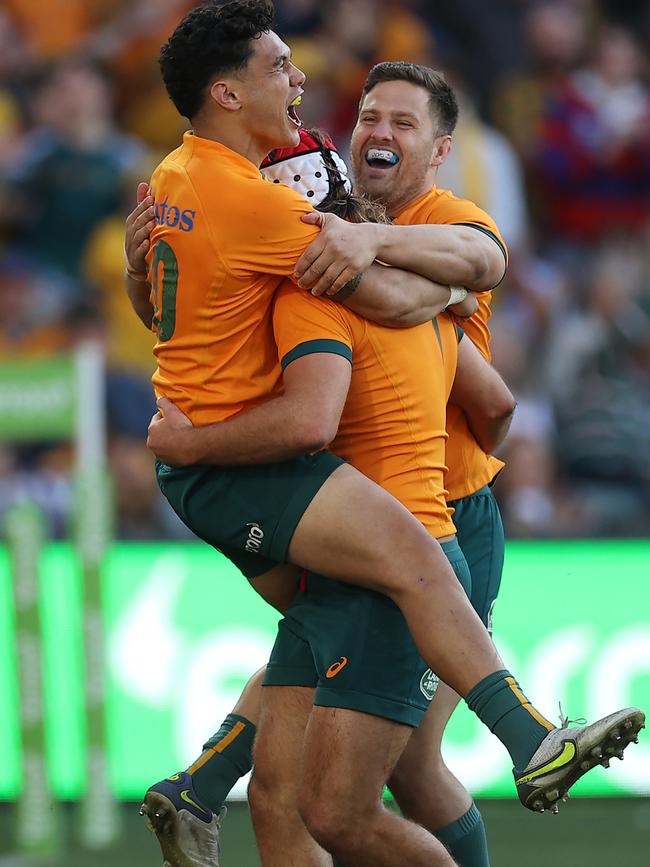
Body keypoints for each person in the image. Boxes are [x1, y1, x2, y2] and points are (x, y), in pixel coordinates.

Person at [123, 2, 643, 864]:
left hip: (437, 505)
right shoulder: (287, 236)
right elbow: (334, 399)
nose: (369, 123)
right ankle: (531, 739)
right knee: (340, 791)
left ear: (440, 151)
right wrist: (423, 289)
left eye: (405, 121)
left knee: (349, 780)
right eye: (368, 113)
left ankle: (200, 785)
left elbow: (491, 301)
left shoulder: (198, 179)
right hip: (319, 482)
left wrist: (387, 255)